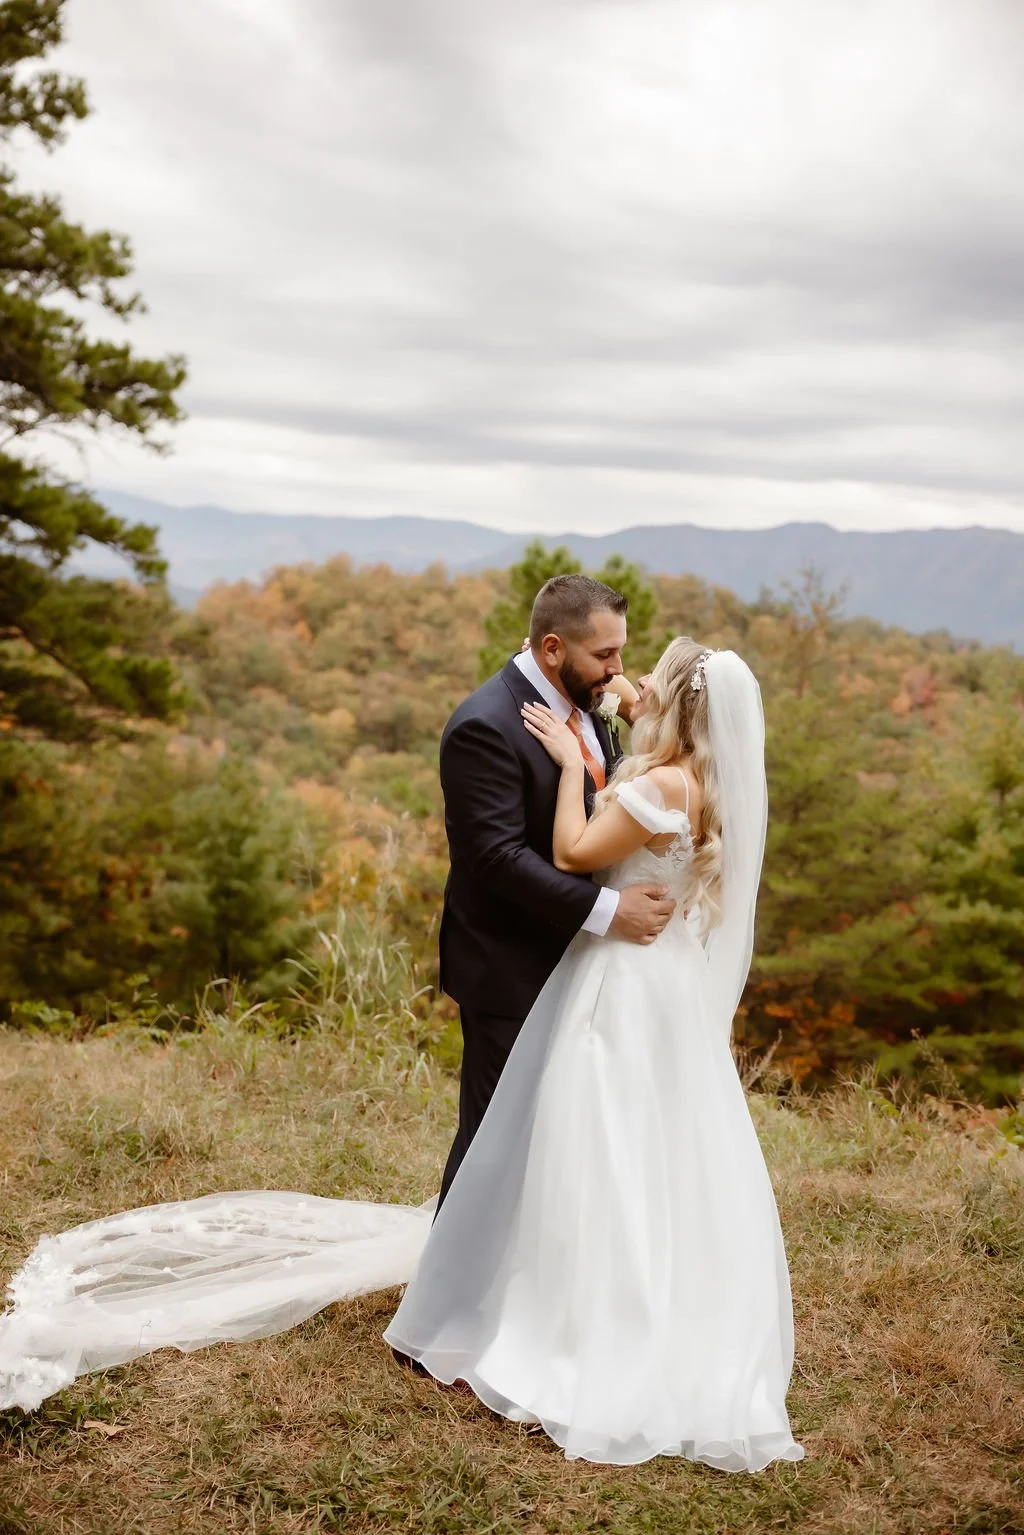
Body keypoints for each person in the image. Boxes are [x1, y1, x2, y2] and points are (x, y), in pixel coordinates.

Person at [0, 637, 803, 1474]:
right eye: (608, 657)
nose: (624, 681)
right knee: (651, 1143)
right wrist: (623, 714)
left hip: (619, 984)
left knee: (591, 1136)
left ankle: (571, 1309)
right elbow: (631, 766)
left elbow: (572, 851)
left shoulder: (653, 781)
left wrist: (572, 764)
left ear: (675, 706)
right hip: (664, 985)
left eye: (644, 678)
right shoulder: (704, 782)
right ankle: (637, 1294)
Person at [435, 573, 676, 1209]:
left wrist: (632, 702)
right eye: (605, 656)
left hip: (578, 962)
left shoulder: (585, 692)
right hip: (510, 964)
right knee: (496, 1135)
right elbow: (497, 858)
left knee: (559, 1135)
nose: (620, 671)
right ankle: (454, 1280)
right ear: (550, 649)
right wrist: (609, 910)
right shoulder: (484, 726)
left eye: (621, 651)